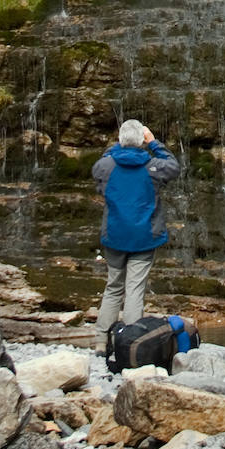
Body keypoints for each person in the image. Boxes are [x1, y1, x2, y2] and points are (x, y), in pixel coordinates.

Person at [91, 118, 180, 352]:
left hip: (115, 237)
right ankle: (128, 342)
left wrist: (118, 144)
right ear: (143, 140)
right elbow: (174, 166)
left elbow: (99, 166)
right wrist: (154, 143)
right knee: (134, 289)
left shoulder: (107, 166)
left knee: (113, 287)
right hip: (144, 237)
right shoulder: (154, 166)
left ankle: (101, 340)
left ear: (120, 141)